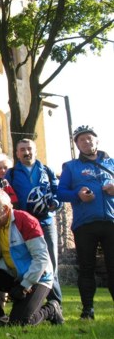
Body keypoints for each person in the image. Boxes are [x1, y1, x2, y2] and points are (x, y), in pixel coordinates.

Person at [0, 189, 64, 326]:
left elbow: (41, 259)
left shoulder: (26, 221)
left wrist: (25, 285)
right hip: (14, 277)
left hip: (38, 277)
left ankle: (52, 308)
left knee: (20, 323)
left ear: (5, 209)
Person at [58, 125, 114, 320]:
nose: (86, 142)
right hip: (85, 225)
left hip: (111, 223)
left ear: (97, 141)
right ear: (77, 145)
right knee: (86, 267)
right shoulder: (71, 166)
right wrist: (78, 195)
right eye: (81, 140)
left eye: (89, 138)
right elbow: (61, 192)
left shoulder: (111, 162)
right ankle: (87, 310)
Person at [5, 138, 63, 305]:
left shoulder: (46, 170)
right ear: (17, 153)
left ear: (35, 151)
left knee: (51, 262)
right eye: (22, 149)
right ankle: (29, 302)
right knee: (26, 262)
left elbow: (57, 190)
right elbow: (8, 196)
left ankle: (55, 303)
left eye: (29, 148)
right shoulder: (12, 173)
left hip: (46, 223)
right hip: (24, 226)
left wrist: (56, 203)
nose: (26, 152)